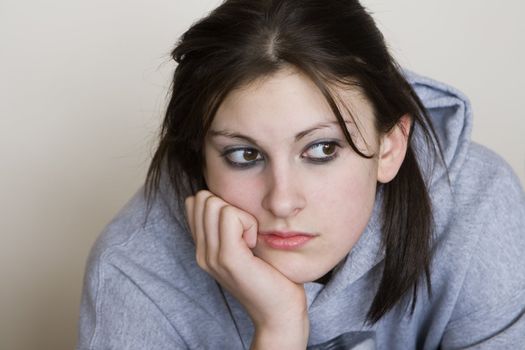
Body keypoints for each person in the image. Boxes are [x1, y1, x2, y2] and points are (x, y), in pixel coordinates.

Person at [77, 0, 525, 349]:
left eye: (323, 149)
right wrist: (278, 330)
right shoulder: (133, 268)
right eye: (244, 154)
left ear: (390, 146)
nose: (283, 201)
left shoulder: (478, 205)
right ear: (201, 157)